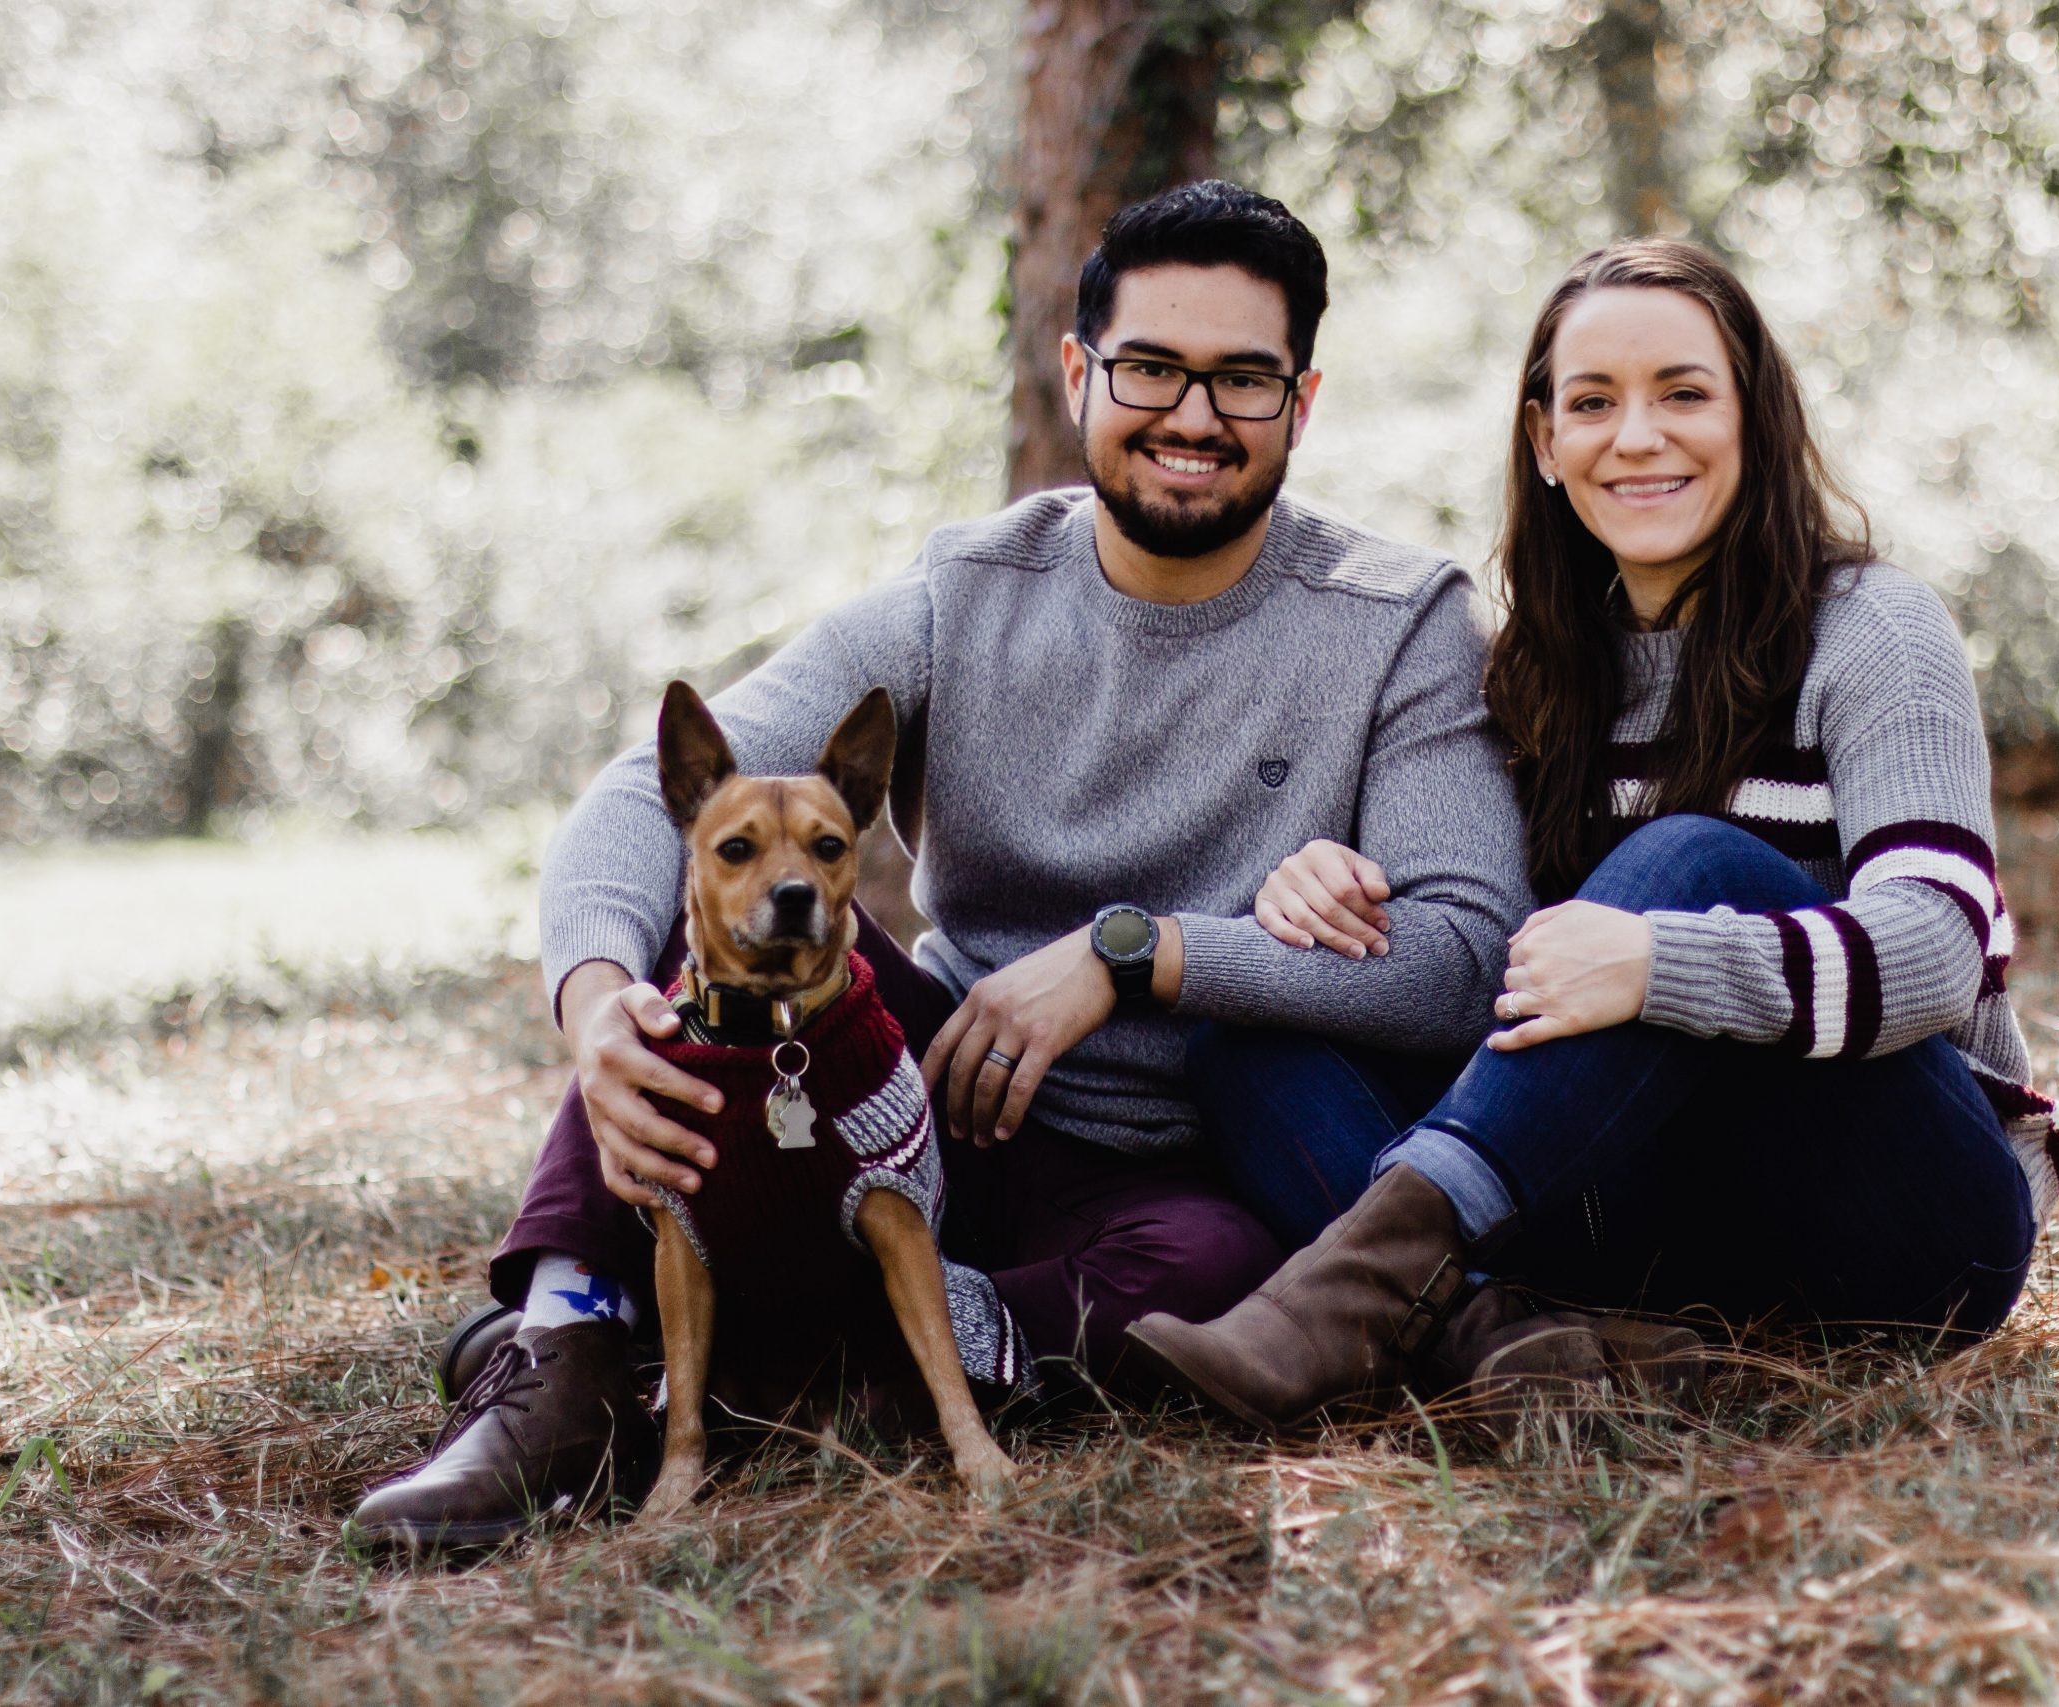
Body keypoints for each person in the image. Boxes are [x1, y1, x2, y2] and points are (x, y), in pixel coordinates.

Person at [349, 181, 1533, 1547]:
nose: (1194, 417)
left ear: (1301, 400)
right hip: (928, 1074)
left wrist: (1128, 956)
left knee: (1208, 1274)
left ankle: (781, 1362)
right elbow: (653, 789)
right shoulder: (964, 592)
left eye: (1243, 379)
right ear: (1080, 370)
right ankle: (559, 1352)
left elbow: (1461, 956)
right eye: (1152, 366)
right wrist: (594, 998)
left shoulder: (1395, 622)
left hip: (1155, 1154)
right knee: (737, 909)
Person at [1126, 240, 2059, 1430]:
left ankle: (1359, 1298)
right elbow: (1484, 971)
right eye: (1591, 403)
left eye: (1682, 392)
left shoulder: (1872, 630)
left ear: (1754, 417)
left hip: (1909, 1225)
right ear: (1543, 442)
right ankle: (1515, 1342)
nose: (1636, 437)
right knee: (1252, 1038)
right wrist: (1324, 884)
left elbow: (1937, 953)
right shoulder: (1528, 677)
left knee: (1694, 866)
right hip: (1657, 1222)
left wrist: (1656, 963)